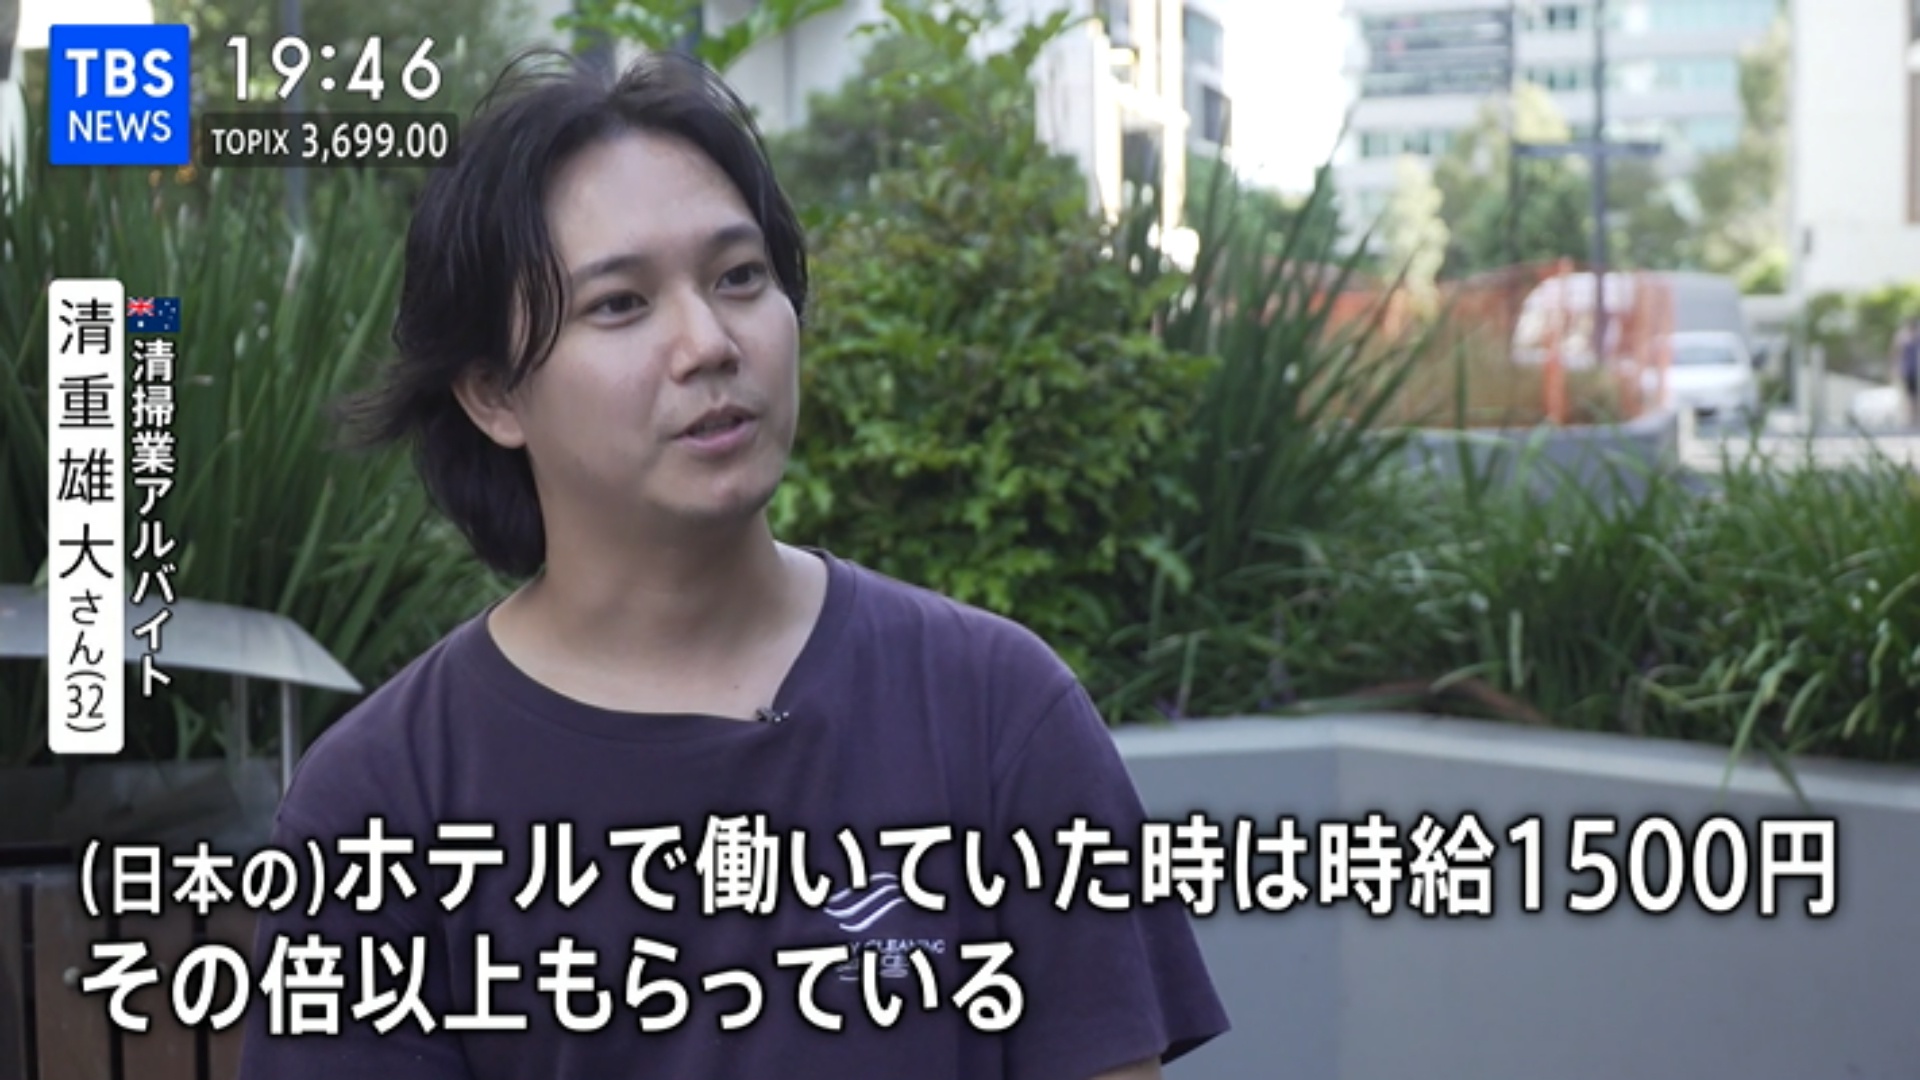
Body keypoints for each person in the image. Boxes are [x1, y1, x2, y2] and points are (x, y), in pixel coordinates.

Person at [237, 47, 1229, 1080]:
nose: (709, 342)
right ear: (492, 393)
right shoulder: (382, 805)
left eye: (740, 278)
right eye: (621, 303)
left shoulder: (994, 709)